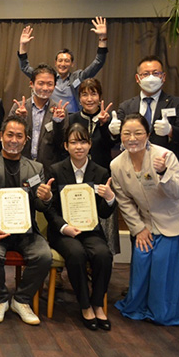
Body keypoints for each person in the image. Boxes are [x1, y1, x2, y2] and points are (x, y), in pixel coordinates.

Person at [112, 113, 179, 326]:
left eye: (138, 133)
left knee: (162, 263)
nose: (132, 138)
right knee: (142, 258)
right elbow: (124, 201)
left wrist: (164, 172)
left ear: (148, 135)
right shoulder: (116, 165)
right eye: (127, 133)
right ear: (120, 136)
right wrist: (138, 229)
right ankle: (140, 305)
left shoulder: (165, 156)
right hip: (148, 223)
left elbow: (178, 192)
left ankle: (165, 310)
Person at [0, 116, 53, 326]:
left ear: (26, 140)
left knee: (44, 256)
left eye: (19, 136)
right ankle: (0, 299)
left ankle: (21, 300)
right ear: (1, 136)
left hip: (26, 233)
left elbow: (39, 205)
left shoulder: (35, 169)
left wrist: (46, 198)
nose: (14, 140)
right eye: (10, 135)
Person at [44, 123, 115, 330]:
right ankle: (85, 305)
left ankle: (97, 304)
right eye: (74, 142)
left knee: (103, 254)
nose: (79, 147)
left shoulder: (100, 172)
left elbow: (103, 213)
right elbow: (50, 209)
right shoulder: (56, 170)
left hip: (90, 230)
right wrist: (64, 227)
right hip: (63, 232)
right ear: (66, 146)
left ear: (90, 144)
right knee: (76, 253)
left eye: (83, 142)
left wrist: (110, 199)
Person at [110, 55, 179, 168]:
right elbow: (116, 140)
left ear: (163, 77)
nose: (151, 77)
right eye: (146, 74)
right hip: (133, 165)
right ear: (138, 78)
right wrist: (113, 132)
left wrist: (170, 130)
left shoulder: (177, 103)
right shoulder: (126, 106)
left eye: (156, 73)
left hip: (165, 165)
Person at [69, 78, 120, 254]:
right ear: (79, 98)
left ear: (100, 97)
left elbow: (112, 144)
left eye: (93, 94)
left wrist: (105, 125)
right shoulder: (73, 119)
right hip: (77, 177)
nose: (89, 99)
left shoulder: (110, 118)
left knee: (103, 218)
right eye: (84, 94)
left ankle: (103, 259)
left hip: (101, 176)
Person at [18, 17, 108, 113]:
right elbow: (25, 67)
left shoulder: (78, 77)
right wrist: (23, 45)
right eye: (60, 61)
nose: (63, 64)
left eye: (67, 61)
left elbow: (98, 62)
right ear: (55, 63)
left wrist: (102, 38)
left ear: (72, 64)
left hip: (72, 117)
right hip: (50, 116)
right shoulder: (48, 77)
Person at [9, 64, 69, 172]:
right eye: (41, 83)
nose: (45, 88)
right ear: (31, 84)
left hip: (48, 168)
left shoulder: (60, 111)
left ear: (55, 85)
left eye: (50, 84)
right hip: (20, 166)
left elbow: (61, 144)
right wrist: (20, 120)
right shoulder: (19, 107)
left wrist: (58, 122)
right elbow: (9, 139)